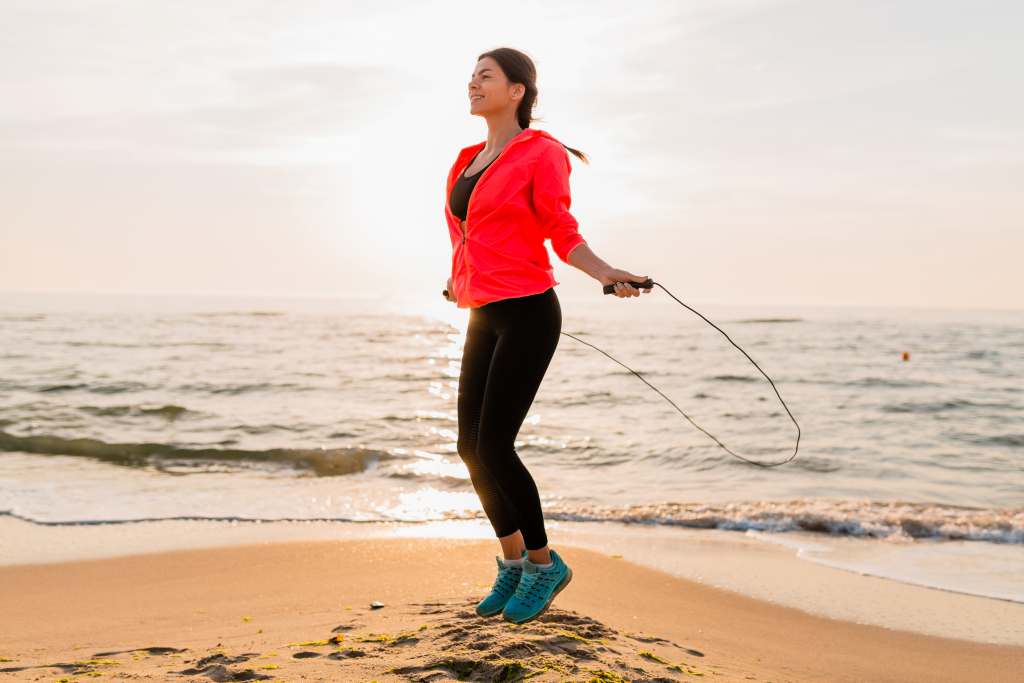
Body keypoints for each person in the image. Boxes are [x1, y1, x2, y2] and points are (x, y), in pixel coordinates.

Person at [443, 47, 651, 624]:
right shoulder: (465, 159)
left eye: (486, 76)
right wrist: (457, 283)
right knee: (469, 445)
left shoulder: (541, 153)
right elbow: (469, 236)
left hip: (530, 310)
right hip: (483, 310)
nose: (473, 84)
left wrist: (606, 273)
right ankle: (512, 567)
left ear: (517, 91)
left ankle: (544, 565)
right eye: (471, 76)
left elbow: (559, 227)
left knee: (494, 445)